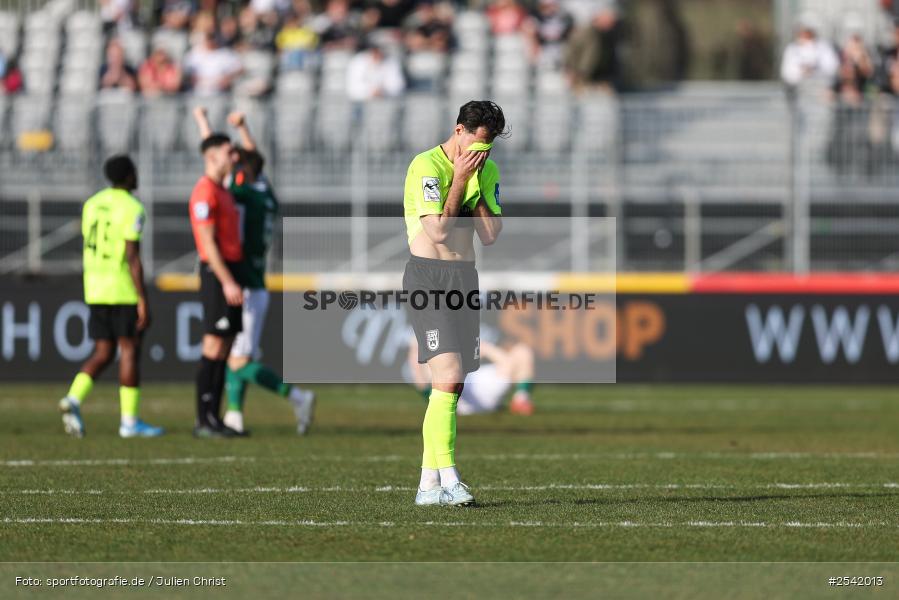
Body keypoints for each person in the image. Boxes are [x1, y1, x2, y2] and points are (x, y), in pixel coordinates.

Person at [402, 100, 506, 507]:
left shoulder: (487, 170)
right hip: (428, 276)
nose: (482, 154)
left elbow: (491, 234)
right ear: (459, 130)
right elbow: (440, 232)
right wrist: (460, 179)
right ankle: (450, 476)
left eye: (489, 148)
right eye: (477, 144)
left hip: (464, 279)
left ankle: (428, 486)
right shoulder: (426, 166)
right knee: (447, 372)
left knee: (452, 383)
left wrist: (476, 184)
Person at [192, 106, 316, 435]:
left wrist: (205, 124)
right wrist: (243, 128)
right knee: (237, 351)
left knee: (237, 359)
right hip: (255, 282)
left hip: (243, 282)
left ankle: (297, 396)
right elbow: (246, 159)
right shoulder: (266, 194)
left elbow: (216, 160)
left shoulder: (240, 195)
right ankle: (233, 414)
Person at [58, 155, 163, 439]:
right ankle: (129, 422)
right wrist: (142, 297)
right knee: (129, 350)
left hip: (94, 287)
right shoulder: (132, 207)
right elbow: (132, 256)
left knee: (104, 351)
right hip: (121, 288)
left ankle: (73, 398)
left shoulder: (91, 204)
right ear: (128, 176)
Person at [189, 130, 246, 437]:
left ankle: (214, 416)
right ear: (212, 156)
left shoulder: (221, 190)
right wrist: (227, 282)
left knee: (223, 346)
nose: (233, 157)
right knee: (213, 343)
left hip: (230, 271)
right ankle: (203, 419)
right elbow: (208, 244)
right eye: (228, 152)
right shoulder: (205, 192)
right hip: (217, 273)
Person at [408, 336, 535, 416]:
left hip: (477, 381)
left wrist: (484, 349)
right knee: (418, 347)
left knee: (522, 351)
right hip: (457, 391)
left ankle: (521, 400)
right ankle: (437, 402)